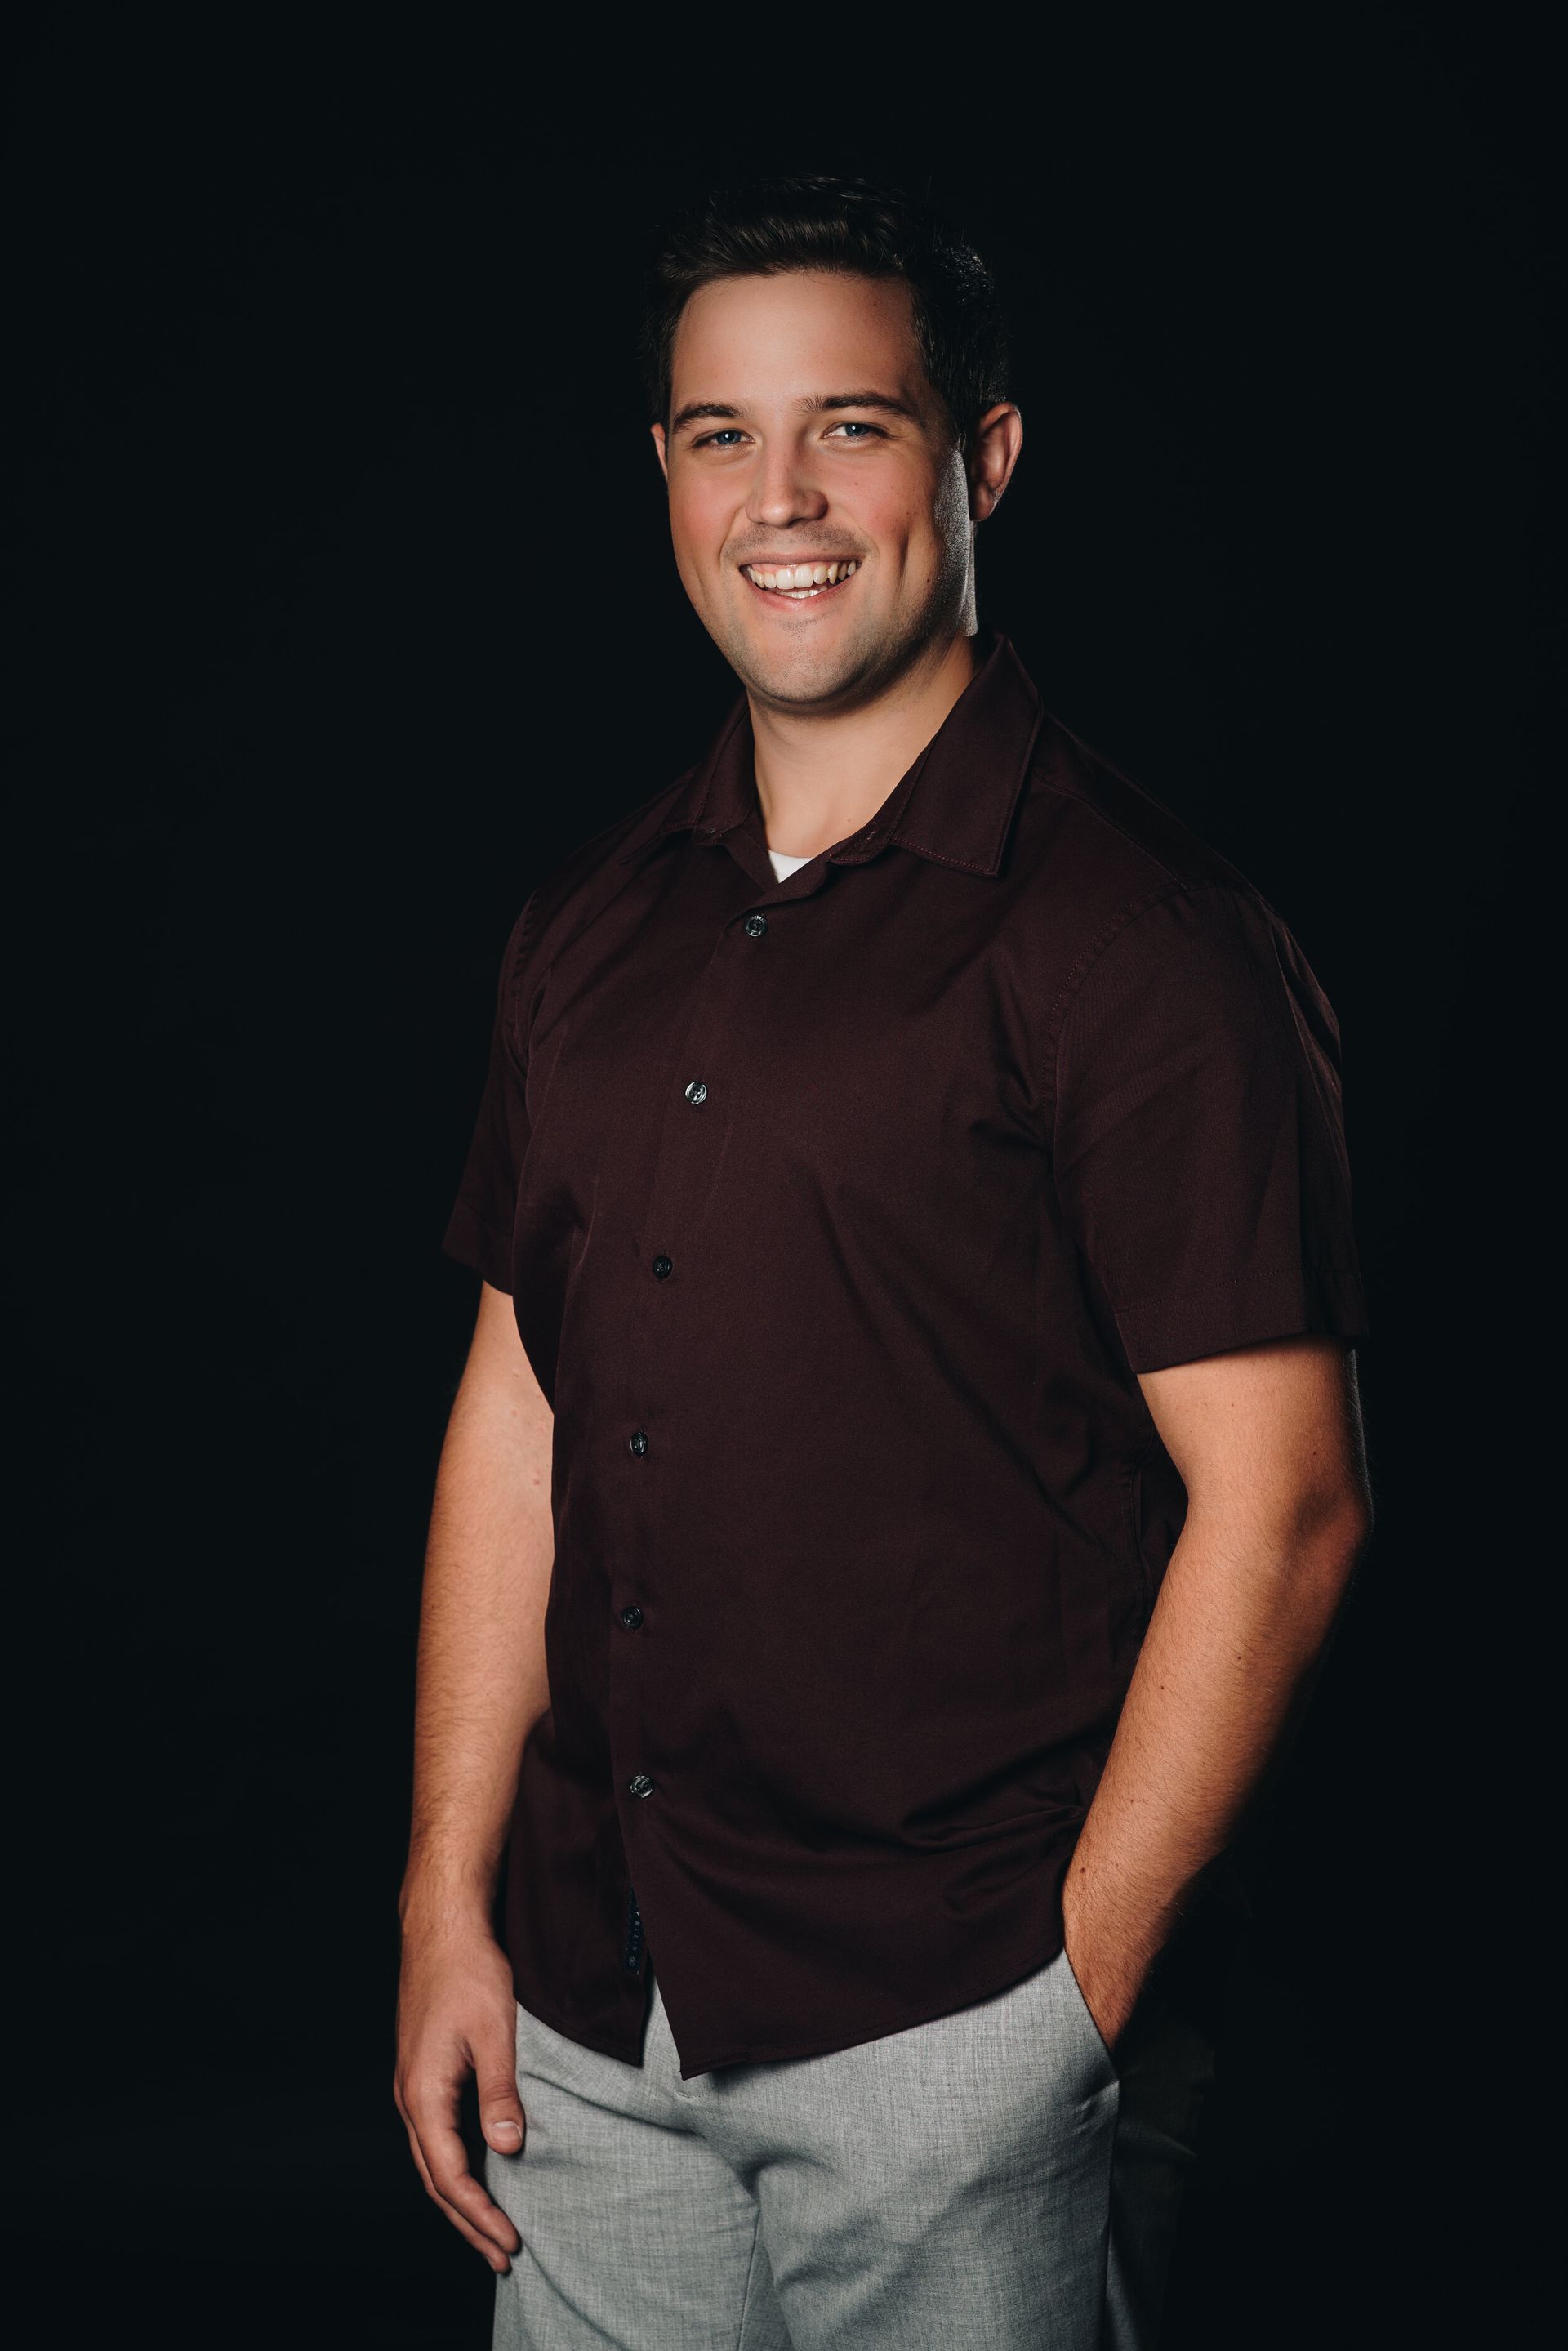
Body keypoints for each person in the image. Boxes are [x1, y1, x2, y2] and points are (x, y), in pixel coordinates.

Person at [394, 175, 1372, 2351]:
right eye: (723, 434)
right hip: (585, 2026)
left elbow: (1289, 1503)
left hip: (952, 2026)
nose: (784, 496)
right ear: (661, 472)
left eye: (852, 424)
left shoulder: (1141, 943)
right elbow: (520, 1404)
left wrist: (1067, 2007)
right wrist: (445, 1900)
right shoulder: (587, 926)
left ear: (981, 458)